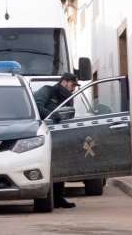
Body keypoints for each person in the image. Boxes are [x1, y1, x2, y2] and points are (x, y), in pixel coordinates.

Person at [33, 72, 80, 209]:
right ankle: (44, 199)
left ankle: (59, 198)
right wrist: (52, 116)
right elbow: (36, 105)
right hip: (43, 134)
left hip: (60, 135)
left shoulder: (69, 98)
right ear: (64, 82)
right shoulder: (47, 90)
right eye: (72, 85)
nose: (73, 89)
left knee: (59, 165)